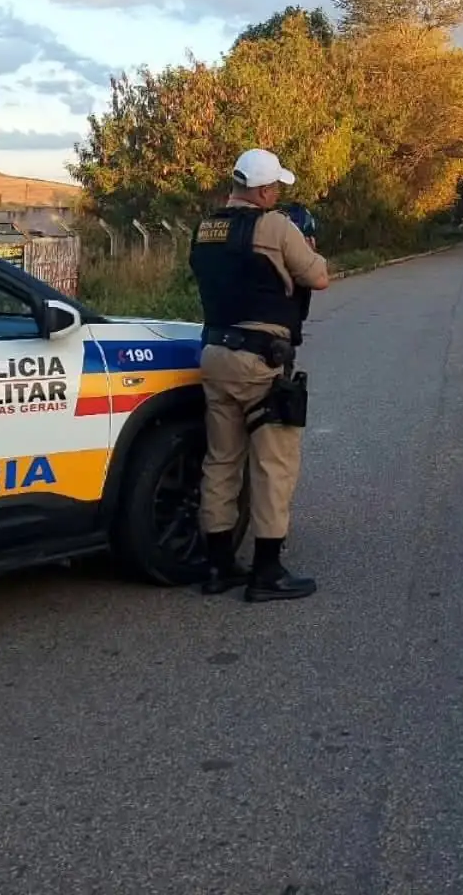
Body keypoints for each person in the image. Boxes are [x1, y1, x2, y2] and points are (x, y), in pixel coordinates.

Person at [187, 149, 329, 602]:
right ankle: (267, 572)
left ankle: (218, 566)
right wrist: (307, 249)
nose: (277, 195)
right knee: (273, 463)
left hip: (214, 354)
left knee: (221, 460)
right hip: (260, 360)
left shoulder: (205, 229)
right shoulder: (275, 227)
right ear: (265, 190)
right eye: (276, 189)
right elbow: (318, 277)